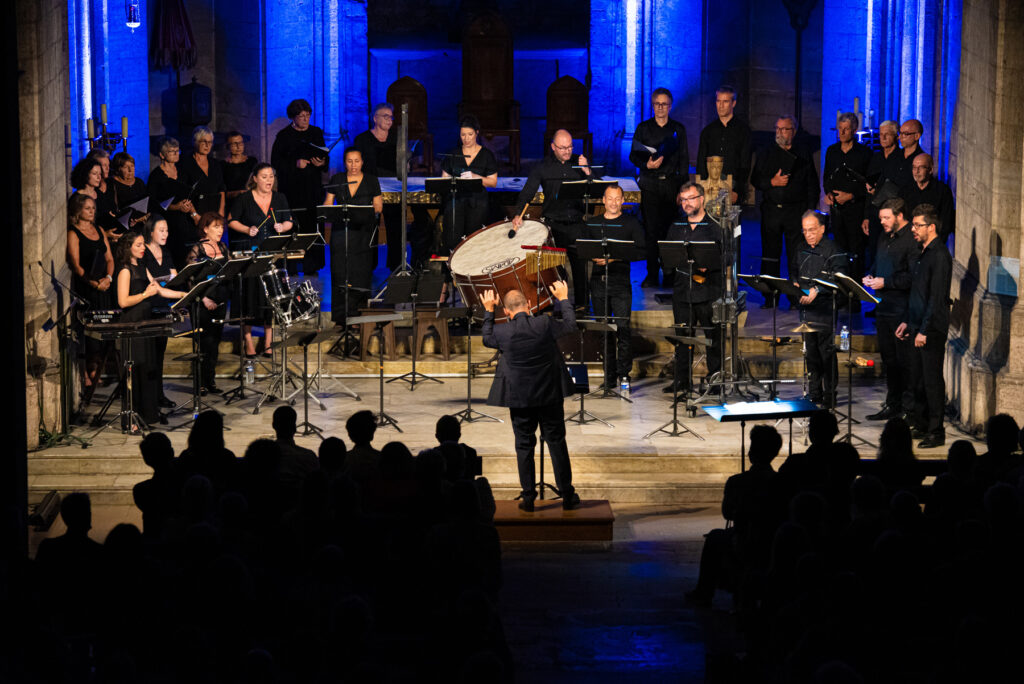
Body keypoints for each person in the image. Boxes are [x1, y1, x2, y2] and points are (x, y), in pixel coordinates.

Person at [480, 281, 581, 511]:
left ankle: (528, 498)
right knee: (556, 442)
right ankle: (567, 495)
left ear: (506, 312)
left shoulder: (502, 331)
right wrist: (563, 298)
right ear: (529, 305)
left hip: (520, 399)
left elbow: (486, 337)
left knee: (524, 445)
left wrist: (488, 310)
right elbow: (570, 325)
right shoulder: (544, 323)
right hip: (549, 395)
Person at [510, 129, 592, 307]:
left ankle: (583, 308)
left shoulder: (580, 162)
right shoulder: (543, 166)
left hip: (577, 223)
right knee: (553, 271)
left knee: (581, 270)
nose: (567, 151)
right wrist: (518, 213)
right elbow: (527, 192)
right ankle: (556, 307)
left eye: (570, 146)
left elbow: (596, 186)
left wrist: (586, 170)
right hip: (553, 226)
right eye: (562, 148)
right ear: (553, 147)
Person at [114, 231, 184, 429]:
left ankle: (148, 415)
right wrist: (145, 294)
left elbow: (159, 290)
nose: (143, 248)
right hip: (132, 323)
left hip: (146, 322)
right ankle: (131, 419)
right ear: (128, 248)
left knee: (147, 368)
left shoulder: (142, 266)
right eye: (138, 245)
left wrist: (184, 294)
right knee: (134, 369)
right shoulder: (125, 270)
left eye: (143, 244)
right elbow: (123, 301)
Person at [896, 204, 952, 449]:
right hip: (917, 325)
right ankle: (920, 424)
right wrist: (909, 320)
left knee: (931, 381)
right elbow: (918, 294)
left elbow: (936, 298)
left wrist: (924, 331)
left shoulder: (939, 255)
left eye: (918, 225)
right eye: (913, 225)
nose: (913, 230)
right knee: (916, 380)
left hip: (931, 330)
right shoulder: (923, 252)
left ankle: (936, 431)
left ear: (931, 227)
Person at [583, 184, 645, 389]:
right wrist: (593, 256)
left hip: (620, 284)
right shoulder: (593, 224)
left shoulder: (631, 223)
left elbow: (641, 251)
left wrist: (613, 258)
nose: (613, 203)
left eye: (617, 199)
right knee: (604, 330)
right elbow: (582, 248)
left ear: (623, 199)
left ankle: (623, 374)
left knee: (623, 328)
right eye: (610, 198)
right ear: (603, 199)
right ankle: (608, 376)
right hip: (598, 283)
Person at [228, 163, 293, 356]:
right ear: (255, 178)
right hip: (250, 253)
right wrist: (247, 229)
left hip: (272, 254)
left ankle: (268, 340)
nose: (268, 180)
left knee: (271, 296)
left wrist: (284, 226)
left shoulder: (280, 198)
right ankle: (247, 340)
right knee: (249, 295)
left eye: (271, 176)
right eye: (264, 177)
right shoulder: (244, 198)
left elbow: (289, 220)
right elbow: (231, 220)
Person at [665, 182, 723, 394]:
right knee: (682, 338)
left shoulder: (715, 227)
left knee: (712, 340)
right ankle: (682, 380)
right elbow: (668, 255)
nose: (687, 204)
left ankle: (714, 381)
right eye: (684, 199)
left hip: (708, 292)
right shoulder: (676, 226)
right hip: (682, 291)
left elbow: (728, 257)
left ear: (701, 199)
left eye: (691, 198)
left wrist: (711, 263)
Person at [629, 87, 689, 288]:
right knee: (652, 232)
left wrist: (682, 191)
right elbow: (633, 156)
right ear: (653, 105)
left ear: (670, 106)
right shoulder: (643, 128)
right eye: (657, 104)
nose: (660, 108)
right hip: (650, 184)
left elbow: (683, 160)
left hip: (671, 185)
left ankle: (670, 273)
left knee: (671, 232)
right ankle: (652, 274)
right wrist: (647, 164)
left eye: (664, 104)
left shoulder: (678, 129)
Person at [862, 199, 916, 421]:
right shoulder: (885, 236)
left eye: (886, 218)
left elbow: (911, 277)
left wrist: (886, 282)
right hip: (883, 307)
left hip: (901, 309)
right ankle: (892, 404)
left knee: (904, 361)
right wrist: (871, 275)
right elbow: (878, 262)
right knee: (889, 359)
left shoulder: (911, 241)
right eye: (881, 218)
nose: (882, 222)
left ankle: (908, 408)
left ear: (900, 216)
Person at [752, 115, 819, 290]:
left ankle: (795, 294)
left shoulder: (803, 152)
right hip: (772, 211)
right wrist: (772, 182)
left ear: (793, 131)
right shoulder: (766, 151)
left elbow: (812, 183)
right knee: (770, 254)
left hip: (795, 211)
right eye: (777, 128)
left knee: (796, 254)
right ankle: (769, 294)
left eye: (784, 129)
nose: (780, 133)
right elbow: (755, 180)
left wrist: (810, 211)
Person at [324, 148, 383, 323]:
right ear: (345, 162)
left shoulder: (372, 180)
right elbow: (327, 203)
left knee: (361, 274)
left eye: (357, 161)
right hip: (341, 234)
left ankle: (358, 316)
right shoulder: (337, 179)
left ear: (362, 162)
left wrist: (367, 211)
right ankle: (341, 318)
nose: (353, 165)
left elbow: (378, 206)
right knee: (340, 274)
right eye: (350, 161)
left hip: (363, 234)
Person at [66, 193, 115, 403]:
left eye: (93, 208)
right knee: (90, 335)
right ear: (78, 211)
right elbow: (76, 265)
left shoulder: (99, 230)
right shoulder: (74, 233)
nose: (92, 211)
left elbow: (110, 258)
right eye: (88, 208)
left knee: (106, 331)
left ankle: (97, 370)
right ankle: (88, 374)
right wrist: (94, 283)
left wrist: (109, 278)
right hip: (88, 289)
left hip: (105, 285)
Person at [271, 99, 328, 273]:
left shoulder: (316, 132)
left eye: (308, 115)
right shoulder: (283, 135)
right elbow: (276, 162)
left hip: (312, 189)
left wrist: (321, 163)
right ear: (293, 117)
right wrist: (295, 164)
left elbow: (324, 155)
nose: (305, 119)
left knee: (313, 227)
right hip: (292, 191)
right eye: (301, 116)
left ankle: (313, 265)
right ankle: (293, 266)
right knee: (293, 227)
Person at [796, 211, 844, 408]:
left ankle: (829, 394)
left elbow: (839, 277)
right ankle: (814, 393)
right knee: (811, 353)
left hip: (825, 309)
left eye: (812, 230)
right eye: (805, 231)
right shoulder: (800, 248)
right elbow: (794, 272)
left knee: (826, 352)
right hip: (806, 309)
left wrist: (818, 289)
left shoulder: (833, 250)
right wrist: (796, 288)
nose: (808, 235)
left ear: (822, 229)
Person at [439, 114, 498, 255]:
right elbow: (444, 179)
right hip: (456, 202)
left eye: (470, 134)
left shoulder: (486, 155)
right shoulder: (453, 154)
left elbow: (493, 182)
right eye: (463, 135)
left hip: (477, 203)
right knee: (453, 239)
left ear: (477, 133)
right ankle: (451, 273)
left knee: (474, 240)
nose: (466, 138)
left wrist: (477, 177)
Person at [823, 112, 872, 279]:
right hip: (837, 211)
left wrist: (851, 196)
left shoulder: (865, 154)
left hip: (856, 211)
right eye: (840, 128)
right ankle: (841, 292)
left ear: (854, 130)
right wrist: (828, 193)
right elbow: (827, 177)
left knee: (856, 253)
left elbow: (869, 185)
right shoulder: (832, 151)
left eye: (846, 129)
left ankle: (855, 295)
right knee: (839, 251)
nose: (842, 132)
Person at [186, 212, 231, 393]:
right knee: (205, 343)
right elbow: (190, 279)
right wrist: (204, 299)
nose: (220, 230)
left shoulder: (223, 247)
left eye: (221, 226)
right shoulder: (197, 249)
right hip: (201, 302)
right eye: (215, 226)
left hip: (220, 301)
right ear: (205, 229)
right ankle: (200, 383)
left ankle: (210, 381)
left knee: (215, 343)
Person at [354, 103, 401, 270]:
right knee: (369, 229)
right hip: (370, 190)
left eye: (391, 117)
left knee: (396, 227)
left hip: (394, 189)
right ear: (375, 118)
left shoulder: (397, 138)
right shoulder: (362, 140)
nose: (389, 120)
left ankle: (396, 265)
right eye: (385, 116)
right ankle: (368, 264)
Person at [142, 214, 179, 407]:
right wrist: (177, 292)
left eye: (167, 230)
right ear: (151, 231)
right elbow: (152, 284)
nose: (165, 234)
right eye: (161, 230)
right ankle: (150, 398)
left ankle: (159, 395)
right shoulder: (143, 253)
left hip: (164, 308)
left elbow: (175, 277)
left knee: (160, 355)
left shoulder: (167, 252)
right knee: (150, 356)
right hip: (149, 309)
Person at [147, 137, 199, 269]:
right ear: (162, 155)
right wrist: (176, 207)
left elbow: (191, 192)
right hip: (168, 223)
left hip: (186, 221)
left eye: (178, 150)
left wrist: (190, 207)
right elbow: (153, 203)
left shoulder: (183, 172)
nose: (176, 154)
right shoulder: (156, 176)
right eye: (172, 151)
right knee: (174, 259)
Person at [695, 86, 751, 206]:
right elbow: (701, 163)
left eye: (725, 101)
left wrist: (738, 191)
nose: (721, 105)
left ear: (733, 103)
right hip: (710, 188)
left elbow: (745, 163)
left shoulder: (743, 131)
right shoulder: (707, 131)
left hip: (733, 187)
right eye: (718, 101)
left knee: (731, 224)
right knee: (709, 224)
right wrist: (701, 188)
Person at [860, 120, 901, 271]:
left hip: (893, 214)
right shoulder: (876, 158)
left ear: (896, 136)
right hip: (875, 212)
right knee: (874, 251)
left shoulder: (901, 158)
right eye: (880, 134)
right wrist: (866, 216)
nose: (882, 138)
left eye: (887, 135)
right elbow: (868, 188)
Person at [899, 154, 955, 242]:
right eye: (914, 167)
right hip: (909, 243)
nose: (916, 172)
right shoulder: (905, 191)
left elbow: (946, 222)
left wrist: (936, 244)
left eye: (921, 167)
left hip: (933, 243)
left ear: (930, 170)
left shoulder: (942, 191)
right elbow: (900, 219)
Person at [179, 126, 226, 218]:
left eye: (210, 142)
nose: (207, 145)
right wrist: (194, 215)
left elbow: (221, 189)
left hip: (214, 214)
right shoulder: (185, 164)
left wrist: (221, 213)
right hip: (194, 215)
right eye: (204, 141)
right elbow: (184, 193)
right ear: (195, 142)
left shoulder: (215, 164)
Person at [222, 131, 259, 205]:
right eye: (234, 144)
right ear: (228, 146)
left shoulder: (252, 162)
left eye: (240, 143)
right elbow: (222, 192)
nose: (238, 146)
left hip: (251, 202)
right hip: (232, 203)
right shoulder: (223, 165)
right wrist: (238, 193)